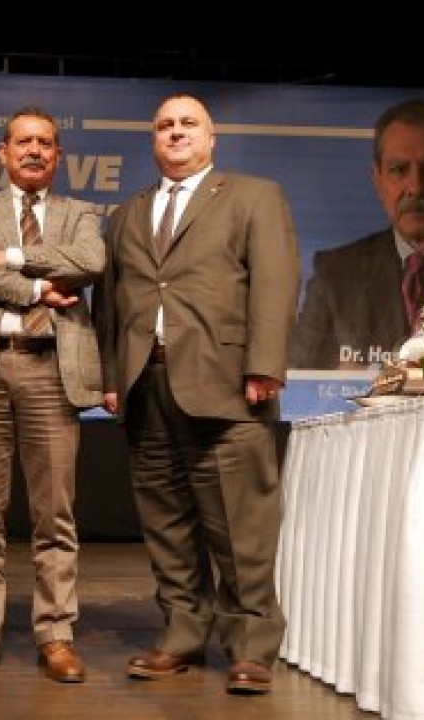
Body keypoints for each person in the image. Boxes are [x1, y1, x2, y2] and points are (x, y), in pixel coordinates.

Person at [93, 92, 300, 696]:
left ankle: (251, 646)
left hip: (230, 384)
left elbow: (276, 283)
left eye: (189, 123)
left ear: (212, 138)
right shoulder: (127, 213)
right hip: (146, 385)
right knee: (166, 523)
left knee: (241, 526)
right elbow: (111, 301)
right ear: (153, 139)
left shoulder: (254, 196)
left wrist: (264, 365)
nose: (176, 132)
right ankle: (182, 633)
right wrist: (111, 376)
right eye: (165, 125)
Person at [0, 106, 104, 684]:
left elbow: (90, 262)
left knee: (54, 514)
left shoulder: (80, 213)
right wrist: (35, 288)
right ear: (3, 152)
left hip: (51, 370)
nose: (34, 150)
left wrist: (8, 257)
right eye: (24, 141)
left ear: (58, 155)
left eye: (45, 143)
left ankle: (56, 634)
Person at [289, 98, 424, 370]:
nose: (417, 187)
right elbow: (299, 379)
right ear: (378, 180)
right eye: (399, 170)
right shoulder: (335, 274)